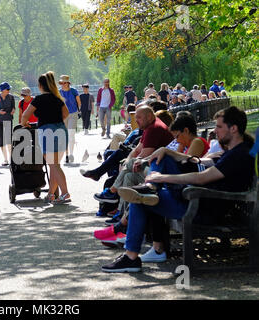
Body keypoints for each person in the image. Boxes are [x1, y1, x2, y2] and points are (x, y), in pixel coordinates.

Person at [103, 106, 255, 272]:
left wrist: (162, 177)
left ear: (233, 129)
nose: (215, 130)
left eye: (219, 127)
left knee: (139, 197)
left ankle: (131, 256)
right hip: (197, 200)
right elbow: (197, 162)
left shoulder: (238, 155)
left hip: (201, 207)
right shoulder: (233, 152)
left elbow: (202, 177)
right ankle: (149, 188)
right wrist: (166, 150)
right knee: (158, 167)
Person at [21, 71, 71, 204]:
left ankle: (65, 193)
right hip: (60, 130)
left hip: (47, 131)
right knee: (54, 165)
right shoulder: (57, 98)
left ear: (40, 85)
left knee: (53, 165)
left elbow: (25, 116)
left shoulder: (38, 99)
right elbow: (66, 113)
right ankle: (51, 194)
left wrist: (24, 124)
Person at [59, 75, 81, 163]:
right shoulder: (59, 92)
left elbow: (79, 102)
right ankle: (67, 155)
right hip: (63, 115)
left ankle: (71, 154)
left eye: (64, 83)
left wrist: (79, 112)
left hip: (73, 114)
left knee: (71, 134)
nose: (62, 84)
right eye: (61, 83)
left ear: (68, 83)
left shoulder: (74, 91)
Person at [0, 82, 15, 166]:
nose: (9, 90)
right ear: (2, 90)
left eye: (9, 89)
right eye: (7, 89)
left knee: (8, 139)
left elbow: (13, 107)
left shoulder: (11, 97)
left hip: (8, 119)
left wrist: (13, 110)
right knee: (1, 140)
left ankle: (11, 159)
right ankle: (5, 159)